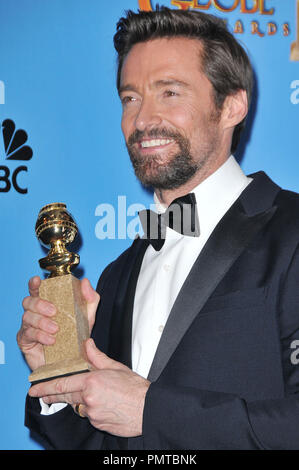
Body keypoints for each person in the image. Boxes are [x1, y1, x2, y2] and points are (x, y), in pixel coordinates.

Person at [17, 7, 299, 450]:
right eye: (130, 98)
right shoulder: (117, 273)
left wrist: (152, 411)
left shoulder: (293, 233)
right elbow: (101, 443)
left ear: (231, 106)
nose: (143, 119)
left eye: (169, 92)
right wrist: (61, 373)